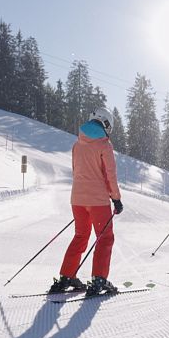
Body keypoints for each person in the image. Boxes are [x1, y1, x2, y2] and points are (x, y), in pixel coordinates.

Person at [49, 107, 124, 296]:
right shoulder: (104, 145)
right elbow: (110, 175)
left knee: (81, 236)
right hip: (98, 201)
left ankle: (66, 276)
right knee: (105, 238)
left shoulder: (77, 144)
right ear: (106, 124)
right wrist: (116, 198)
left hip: (77, 199)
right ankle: (99, 279)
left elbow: (76, 171)